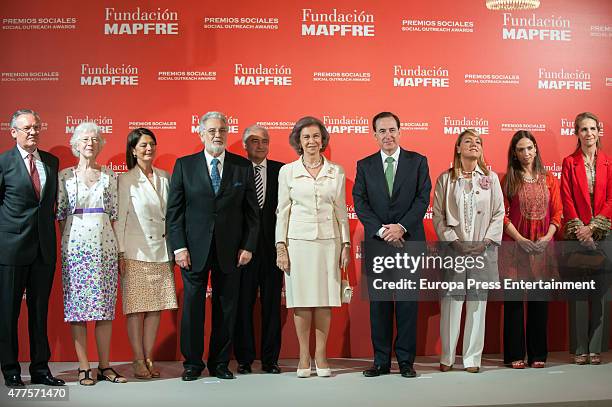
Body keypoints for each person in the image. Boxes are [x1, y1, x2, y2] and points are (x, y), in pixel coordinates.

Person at [166, 111, 259, 381]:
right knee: (193, 309)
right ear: (201, 133)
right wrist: (179, 247)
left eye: (222, 130)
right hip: (193, 250)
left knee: (226, 308)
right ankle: (192, 365)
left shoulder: (242, 166)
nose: (217, 135)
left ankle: (219, 364)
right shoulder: (185, 165)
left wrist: (248, 246)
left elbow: (252, 213)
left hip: (231, 251)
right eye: (211, 131)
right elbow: (174, 212)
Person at [353, 111, 431, 378]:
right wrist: (382, 231)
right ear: (374, 135)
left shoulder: (418, 162)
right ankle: (381, 361)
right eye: (382, 131)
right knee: (380, 304)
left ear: (400, 131)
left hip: (409, 241)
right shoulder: (364, 166)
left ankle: (406, 362)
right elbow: (360, 203)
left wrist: (401, 228)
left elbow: (422, 199)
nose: (388, 135)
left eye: (392, 130)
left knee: (408, 304)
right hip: (378, 243)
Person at [276, 116, 350, 378]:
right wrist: (280, 246)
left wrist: (345, 244)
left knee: (324, 302)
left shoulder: (336, 171)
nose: (311, 141)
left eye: (316, 136)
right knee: (302, 302)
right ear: (298, 141)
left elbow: (341, 211)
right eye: (306, 137)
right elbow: (282, 212)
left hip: (328, 243)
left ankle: (321, 355)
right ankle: (303, 355)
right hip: (298, 243)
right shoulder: (287, 172)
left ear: (323, 140)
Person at [57, 122, 126, 386]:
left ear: (101, 145)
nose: (90, 143)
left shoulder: (110, 176)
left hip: (105, 248)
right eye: (85, 139)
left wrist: (117, 251)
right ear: (75, 144)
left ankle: (105, 366)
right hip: (75, 250)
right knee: (77, 310)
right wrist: (71, 244)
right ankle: (84, 366)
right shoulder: (64, 176)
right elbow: (61, 215)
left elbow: (115, 215)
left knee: (105, 309)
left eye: (95, 139)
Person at [0, 109, 64, 387]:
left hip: (44, 251)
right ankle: (11, 370)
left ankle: (40, 369)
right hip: (11, 251)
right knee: (8, 313)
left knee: (39, 313)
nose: (32, 132)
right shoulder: (3, 163)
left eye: (36, 127)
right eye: (26, 128)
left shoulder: (51, 161)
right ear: (13, 131)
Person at [432, 129, 504, 374]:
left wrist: (484, 243)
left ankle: (473, 359)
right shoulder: (445, 179)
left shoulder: (490, 178)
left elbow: (498, 213)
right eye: (468, 141)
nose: (474, 145)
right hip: (455, 250)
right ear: (458, 148)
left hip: (482, 251)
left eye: (478, 142)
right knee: (452, 304)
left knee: (477, 304)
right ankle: (447, 356)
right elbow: (438, 215)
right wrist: (454, 241)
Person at [116, 128, 178, 379]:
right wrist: (120, 252)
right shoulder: (126, 180)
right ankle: (137, 359)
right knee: (136, 309)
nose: (148, 149)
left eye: (152, 144)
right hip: (135, 252)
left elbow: (172, 217)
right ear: (133, 150)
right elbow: (119, 220)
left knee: (155, 309)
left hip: (162, 252)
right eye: (142, 145)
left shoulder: (165, 177)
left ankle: (149, 356)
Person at [501, 130, 562, 369]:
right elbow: (502, 216)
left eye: (529, 148)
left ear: (536, 149)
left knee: (539, 305)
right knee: (514, 305)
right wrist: (520, 239)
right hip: (515, 249)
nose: (526, 153)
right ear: (514, 154)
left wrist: (547, 238)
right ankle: (515, 355)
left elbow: (558, 213)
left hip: (543, 249)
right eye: (520, 150)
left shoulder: (550, 180)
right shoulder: (509, 180)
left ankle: (538, 355)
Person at [561, 112, 612, 365]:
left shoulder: (608, 162)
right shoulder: (569, 162)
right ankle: (580, 347)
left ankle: (596, 348)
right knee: (579, 292)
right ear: (576, 133)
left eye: (593, 128)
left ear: (598, 132)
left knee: (601, 293)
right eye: (583, 129)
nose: (589, 133)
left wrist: (593, 227)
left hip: (603, 232)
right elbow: (567, 198)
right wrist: (581, 229)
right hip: (576, 233)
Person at [234, 125, 284, 375]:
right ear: (245, 145)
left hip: (274, 250)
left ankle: (270, 359)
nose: (260, 145)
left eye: (265, 140)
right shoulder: (235, 170)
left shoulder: (282, 171)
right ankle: (244, 359)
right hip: (243, 251)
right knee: (243, 305)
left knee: (272, 306)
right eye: (254, 141)